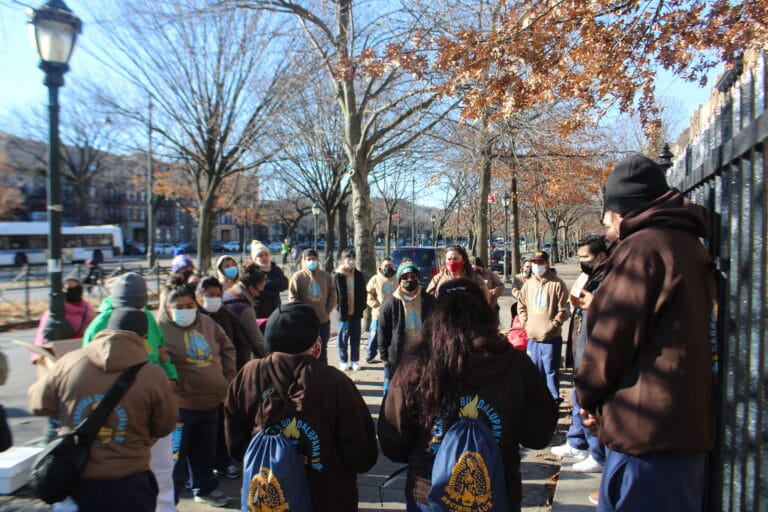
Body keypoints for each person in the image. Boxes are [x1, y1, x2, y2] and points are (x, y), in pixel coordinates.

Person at [575, 153, 717, 511]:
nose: (606, 226)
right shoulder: (686, 244)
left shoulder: (641, 250)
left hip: (646, 434)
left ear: (621, 210)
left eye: (607, 215)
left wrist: (587, 398)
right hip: (678, 428)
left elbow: (611, 338)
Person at [377, 278, 557, 511]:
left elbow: (393, 437)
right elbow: (539, 434)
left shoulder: (416, 363)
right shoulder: (517, 365)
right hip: (499, 489)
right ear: (485, 311)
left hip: (429, 488)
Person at [224, 302, 378, 511]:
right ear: (315, 341)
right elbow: (362, 453)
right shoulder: (335, 382)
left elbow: (235, 441)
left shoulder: (250, 374)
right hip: (328, 497)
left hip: (270, 496)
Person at [29, 308, 178, 512]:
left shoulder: (69, 362)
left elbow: (38, 404)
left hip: (76, 476)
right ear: (144, 338)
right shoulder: (153, 375)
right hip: (130, 480)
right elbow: (165, 425)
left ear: (107, 329)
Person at [82, 272, 178, 512]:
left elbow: (160, 350)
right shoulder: (99, 324)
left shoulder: (147, 317)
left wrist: (171, 374)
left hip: (151, 398)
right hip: (117, 408)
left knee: (161, 466)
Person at [156, 279, 237, 508]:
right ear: (169, 308)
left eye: (189, 305)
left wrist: (227, 378)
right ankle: (167, 501)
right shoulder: (160, 329)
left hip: (211, 403)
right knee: (175, 460)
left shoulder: (207, 323)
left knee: (205, 452)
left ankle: (204, 487)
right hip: (181, 408)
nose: (185, 311)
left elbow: (227, 347)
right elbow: (156, 363)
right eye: (179, 307)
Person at [551, 235, 609, 474]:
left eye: (585, 257)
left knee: (588, 403)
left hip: (592, 351)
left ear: (601, 256)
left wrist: (594, 304)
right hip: (581, 347)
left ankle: (597, 453)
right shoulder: (593, 276)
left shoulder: (607, 277)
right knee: (578, 399)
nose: (581, 261)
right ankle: (578, 443)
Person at [194, 276, 247, 481]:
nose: (214, 299)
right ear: (199, 297)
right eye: (210, 295)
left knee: (222, 426)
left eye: (218, 295)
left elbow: (238, 346)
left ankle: (224, 462)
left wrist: (235, 377)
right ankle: (203, 469)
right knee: (203, 433)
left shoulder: (226, 314)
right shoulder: (193, 318)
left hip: (226, 381)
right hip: (200, 384)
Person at [517, 250, 569, 403]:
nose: (537, 266)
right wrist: (526, 323)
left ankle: (553, 400)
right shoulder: (528, 284)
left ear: (547, 264)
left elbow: (565, 309)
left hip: (550, 338)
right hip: (532, 337)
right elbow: (521, 306)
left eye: (540, 263)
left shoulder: (557, 284)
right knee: (534, 371)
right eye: (534, 263)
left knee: (551, 371)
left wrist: (553, 325)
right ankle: (537, 401)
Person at [377, 262, 436, 394]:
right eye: (405, 277)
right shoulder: (390, 303)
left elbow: (436, 327)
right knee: (395, 394)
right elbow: (382, 330)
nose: (409, 280)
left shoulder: (429, 301)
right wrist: (384, 356)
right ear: (399, 281)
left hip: (424, 356)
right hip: (398, 357)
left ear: (418, 279)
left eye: (413, 277)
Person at [288, 248, 337, 363]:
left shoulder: (326, 277)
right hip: (305, 322)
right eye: (308, 259)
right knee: (307, 350)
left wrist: (326, 311)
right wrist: (302, 314)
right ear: (304, 260)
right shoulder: (298, 277)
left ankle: (323, 373)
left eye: (314, 259)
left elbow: (333, 296)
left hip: (323, 320)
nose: (311, 261)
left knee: (322, 349)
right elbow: (293, 299)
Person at [33, 279, 97, 358]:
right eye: (69, 289)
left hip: (83, 353)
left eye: (76, 288)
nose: (73, 291)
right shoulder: (54, 313)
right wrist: (39, 356)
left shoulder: (88, 309)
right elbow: (42, 336)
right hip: (60, 353)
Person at [222, 262, 268, 360]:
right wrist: (270, 358)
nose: (260, 294)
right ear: (251, 288)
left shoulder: (230, 292)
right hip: (235, 354)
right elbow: (257, 340)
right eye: (259, 290)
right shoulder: (244, 307)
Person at [333, 249, 367, 371]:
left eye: (353, 258)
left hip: (356, 313)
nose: (351, 261)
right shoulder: (338, 276)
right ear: (343, 260)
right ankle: (343, 361)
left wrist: (363, 305)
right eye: (348, 258)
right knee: (342, 338)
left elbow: (363, 292)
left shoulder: (359, 275)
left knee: (355, 338)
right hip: (344, 313)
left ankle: (355, 361)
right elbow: (334, 294)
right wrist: (338, 306)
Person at [365, 257, 397, 364]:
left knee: (391, 336)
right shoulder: (375, 279)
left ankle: (387, 356)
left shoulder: (397, 279)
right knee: (374, 334)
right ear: (381, 267)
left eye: (390, 266)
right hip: (378, 313)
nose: (388, 268)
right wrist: (375, 305)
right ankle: (370, 354)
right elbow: (369, 293)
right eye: (386, 266)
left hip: (393, 314)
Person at [251, 242, 289, 320]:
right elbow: (256, 292)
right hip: (258, 313)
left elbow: (284, 284)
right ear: (254, 258)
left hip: (275, 310)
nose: (264, 257)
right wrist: (274, 286)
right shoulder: (252, 271)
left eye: (266, 255)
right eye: (260, 256)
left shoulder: (275, 268)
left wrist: (266, 284)